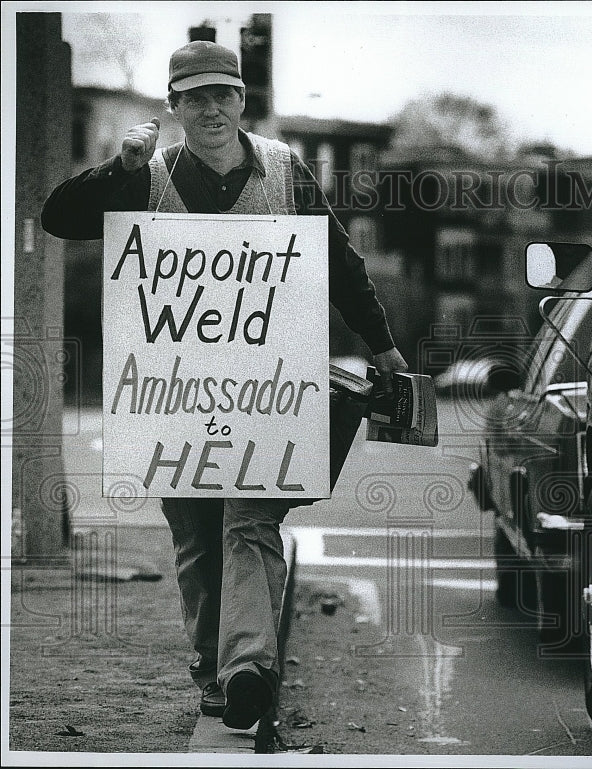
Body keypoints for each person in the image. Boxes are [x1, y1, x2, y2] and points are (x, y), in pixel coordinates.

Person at [41, 41, 408, 730]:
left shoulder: (284, 169)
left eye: (224, 94)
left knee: (250, 517)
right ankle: (212, 668)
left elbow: (339, 262)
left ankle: (247, 670)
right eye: (195, 97)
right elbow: (58, 218)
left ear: (242, 100)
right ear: (174, 106)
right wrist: (115, 170)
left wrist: (383, 346)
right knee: (197, 537)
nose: (211, 108)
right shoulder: (145, 174)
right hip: (173, 399)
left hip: (265, 395)